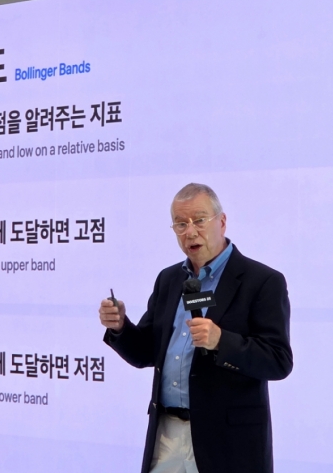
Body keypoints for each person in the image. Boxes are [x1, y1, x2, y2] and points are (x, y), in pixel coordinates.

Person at [99, 183, 292, 473]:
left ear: (222, 222)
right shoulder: (169, 280)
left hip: (228, 444)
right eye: (180, 224)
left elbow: (279, 361)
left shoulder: (262, 281)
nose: (190, 232)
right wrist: (120, 327)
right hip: (166, 435)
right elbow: (146, 352)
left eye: (199, 220)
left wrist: (221, 341)